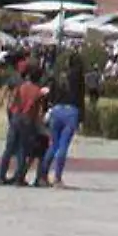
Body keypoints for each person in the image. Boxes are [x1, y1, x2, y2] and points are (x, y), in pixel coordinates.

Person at [41, 53, 86, 188]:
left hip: (57, 109)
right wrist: (82, 118)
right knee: (63, 145)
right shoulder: (78, 76)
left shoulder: (60, 75)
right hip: (71, 111)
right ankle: (57, 178)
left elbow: (51, 93)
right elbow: (80, 97)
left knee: (53, 145)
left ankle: (42, 175)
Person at [0, 64, 46, 186]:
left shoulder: (21, 87)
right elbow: (38, 111)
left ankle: (1, 176)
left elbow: (13, 102)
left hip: (16, 116)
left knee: (9, 148)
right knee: (22, 149)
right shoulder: (38, 92)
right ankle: (19, 178)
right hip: (28, 119)